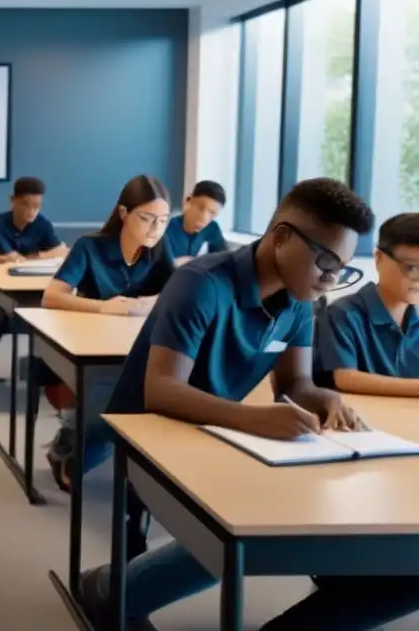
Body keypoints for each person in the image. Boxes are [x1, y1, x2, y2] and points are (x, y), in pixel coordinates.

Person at [75, 178, 419, 631]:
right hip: (150, 437)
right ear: (281, 238)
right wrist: (254, 419)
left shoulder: (298, 301)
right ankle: (112, 592)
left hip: (218, 431)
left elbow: (296, 382)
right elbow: (160, 391)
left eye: (340, 268)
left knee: (313, 498)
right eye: (326, 262)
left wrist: (326, 398)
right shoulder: (200, 283)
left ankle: (343, 579)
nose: (331, 280)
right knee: (252, 519)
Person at [40, 175, 175, 492]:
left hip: (138, 344)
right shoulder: (91, 247)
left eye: (164, 221)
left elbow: (176, 292)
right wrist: (103, 307)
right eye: (146, 219)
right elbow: (52, 296)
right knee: (108, 413)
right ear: (124, 213)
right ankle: (70, 449)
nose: (155, 229)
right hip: (92, 345)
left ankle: (74, 441)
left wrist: (147, 303)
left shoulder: (159, 249)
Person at [0, 176, 68, 379]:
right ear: (12, 200)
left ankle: (42, 364)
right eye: (26, 205)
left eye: (36, 206)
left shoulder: (42, 224)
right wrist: (2, 259)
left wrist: (34, 257)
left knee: (48, 314)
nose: (31, 211)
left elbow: (61, 250)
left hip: (28, 285)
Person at [315, 212, 419, 395]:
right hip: (363, 418)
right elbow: (346, 379)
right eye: (411, 267)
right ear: (379, 259)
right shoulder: (342, 314)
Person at [164, 180, 228, 266]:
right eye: (200, 208)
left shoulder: (213, 229)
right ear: (188, 201)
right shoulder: (167, 228)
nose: (204, 218)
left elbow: (224, 261)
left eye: (212, 213)